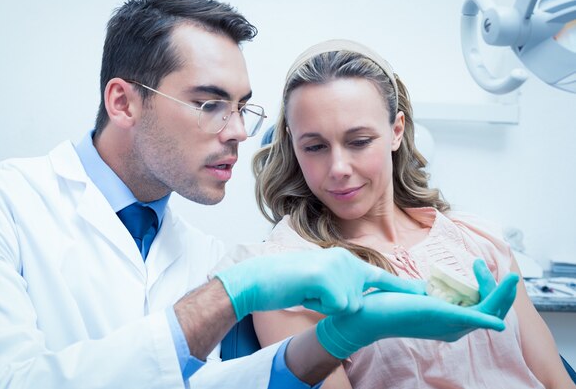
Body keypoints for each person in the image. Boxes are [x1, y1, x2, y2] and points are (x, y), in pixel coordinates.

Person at [0, 0, 519, 389]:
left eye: (242, 106)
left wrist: (340, 339)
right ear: (123, 101)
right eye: (208, 104)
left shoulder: (199, 251)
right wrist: (230, 294)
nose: (241, 132)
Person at [231, 39, 576, 388]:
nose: (338, 168)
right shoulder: (287, 274)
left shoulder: (478, 241)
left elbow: (556, 380)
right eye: (315, 146)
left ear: (396, 131)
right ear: (293, 144)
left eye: (359, 141)